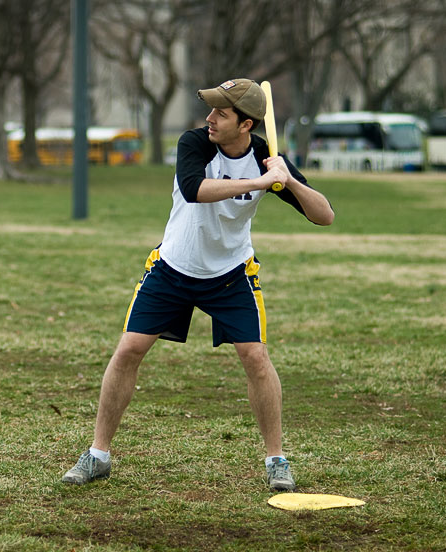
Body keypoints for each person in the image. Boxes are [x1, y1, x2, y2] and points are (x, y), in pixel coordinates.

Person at [61, 78, 335, 491]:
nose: (209, 118)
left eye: (220, 114)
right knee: (129, 349)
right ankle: (98, 454)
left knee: (255, 357)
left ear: (246, 125)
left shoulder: (266, 156)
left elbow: (324, 215)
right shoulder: (195, 143)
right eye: (210, 110)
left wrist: (289, 180)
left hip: (230, 275)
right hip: (173, 267)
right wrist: (259, 184)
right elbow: (195, 190)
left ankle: (276, 460)